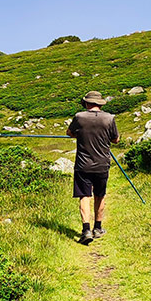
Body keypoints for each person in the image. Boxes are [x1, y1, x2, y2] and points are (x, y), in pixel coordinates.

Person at [66, 90, 119, 245]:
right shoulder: (109, 118)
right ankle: (98, 228)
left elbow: (70, 132)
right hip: (102, 164)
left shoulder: (79, 117)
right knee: (100, 195)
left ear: (87, 103)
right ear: (100, 104)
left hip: (83, 165)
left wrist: (81, 134)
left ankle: (86, 230)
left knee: (84, 196)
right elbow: (115, 139)